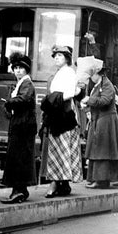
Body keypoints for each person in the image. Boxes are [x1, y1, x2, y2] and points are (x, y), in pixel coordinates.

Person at [39, 46, 82, 198]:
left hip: (65, 113)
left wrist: (54, 98)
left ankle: (56, 182)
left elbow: (71, 92)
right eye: (55, 56)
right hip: (57, 111)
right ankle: (62, 183)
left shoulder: (69, 72)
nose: (56, 58)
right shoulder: (59, 73)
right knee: (57, 148)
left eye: (60, 56)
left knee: (62, 147)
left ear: (67, 58)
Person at [81, 60, 118, 189]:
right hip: (100, 119)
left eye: (91, 75)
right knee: (98, 149)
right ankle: (97, 178)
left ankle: (101, 180)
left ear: (97, 74)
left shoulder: (107, 85)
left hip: (106, 120)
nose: (90, 78)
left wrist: (89, 100)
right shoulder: (100, 84)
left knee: (101, 149)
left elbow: (104, 101)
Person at [0, 53, 37, 204]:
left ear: (26, 70)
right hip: (20, 124)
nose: (18, 71)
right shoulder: (21, 83)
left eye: (21, 68)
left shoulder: (27, 83)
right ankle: (19, 190)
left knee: (19, 157)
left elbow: (24, 99)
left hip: (24, 126)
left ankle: (19, 190)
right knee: (17, 157)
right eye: (15, 68)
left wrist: (9, 102)